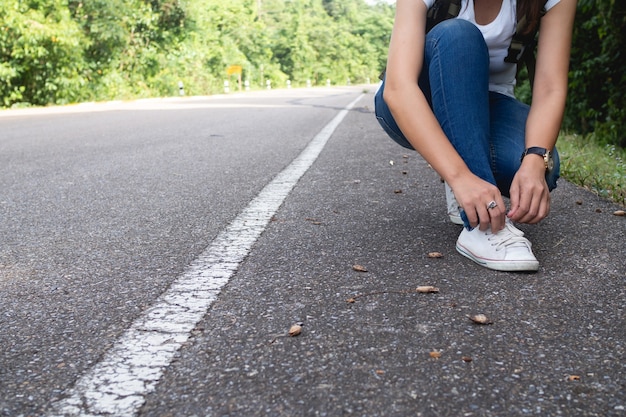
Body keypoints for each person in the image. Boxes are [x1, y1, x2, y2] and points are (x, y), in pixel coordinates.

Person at [374, 0, 577, 272]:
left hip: (492, 103)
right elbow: (399, 89)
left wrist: (535, 160)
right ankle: (483, 227)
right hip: (417, 99)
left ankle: (470, 172)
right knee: (459, 35)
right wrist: (460, 176)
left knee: (538, 170)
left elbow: (551, 88)